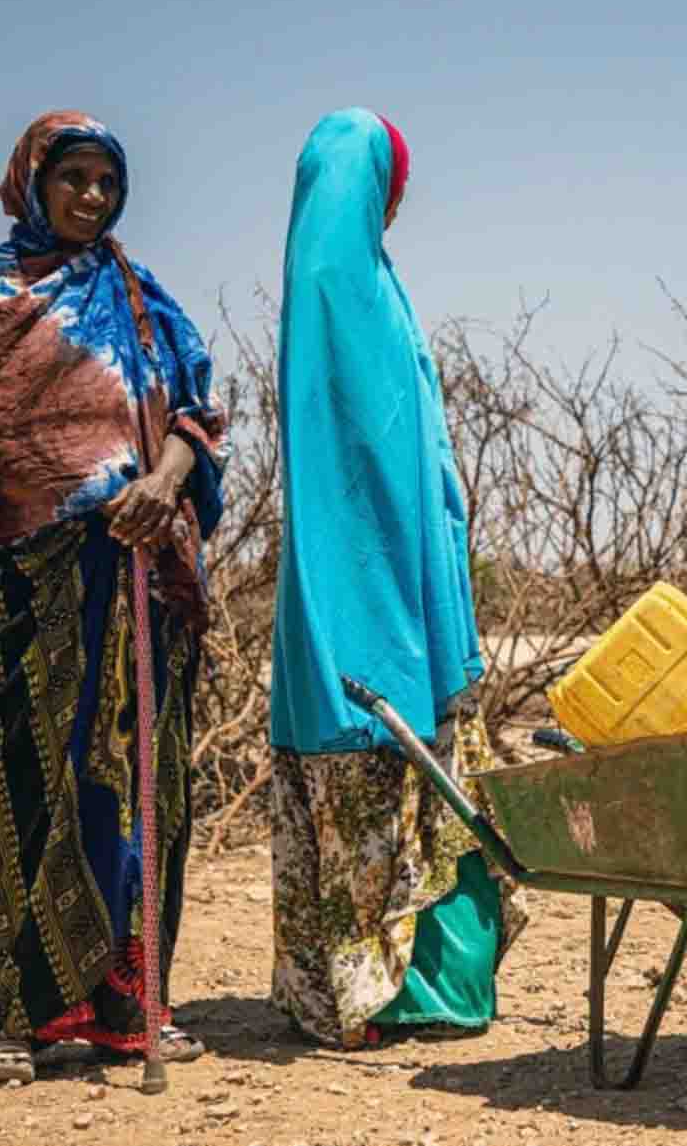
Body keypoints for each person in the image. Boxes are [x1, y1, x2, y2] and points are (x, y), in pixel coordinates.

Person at [0, 111, 229, 1086]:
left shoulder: (141, 297)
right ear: (33, 180)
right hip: (37, 583)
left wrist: (165, 479)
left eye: (107, 181)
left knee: (139, 789)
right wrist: (113, 480)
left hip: (143, 576)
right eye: (73, 177)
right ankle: (17, 1022)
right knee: (25, 785)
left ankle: (131, 1006)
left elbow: (197, 406)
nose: (92, 198)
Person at [268, 108, 526, 1050]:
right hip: (369, 597)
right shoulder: (342, 295)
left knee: (419, 774)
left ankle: (401, 985)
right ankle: (376, 992)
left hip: (396, 588)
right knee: (380, 762)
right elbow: (362, 479)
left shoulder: (368, 286)